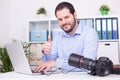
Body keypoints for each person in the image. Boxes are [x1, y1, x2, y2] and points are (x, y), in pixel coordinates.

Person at [35, 2, 98, 73]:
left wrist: (57, 62)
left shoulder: (90, 33)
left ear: (75, 15)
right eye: (60, 19)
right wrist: (47, 53)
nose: (64, 22)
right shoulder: (58, 36)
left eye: (66, 17)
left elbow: (88, 65)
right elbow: (49, 63)